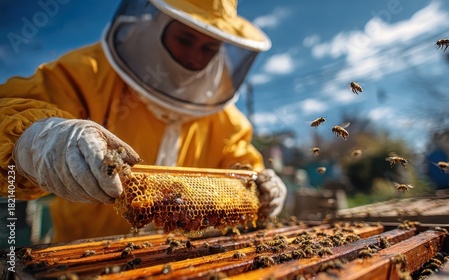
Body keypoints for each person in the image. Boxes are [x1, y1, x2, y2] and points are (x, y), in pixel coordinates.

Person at [0, 0, 287, 243]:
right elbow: (8, 109)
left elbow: (242, 171)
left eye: (208, 48)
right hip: (82, 254)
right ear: (159, 24)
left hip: (182, 260)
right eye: (185, 39)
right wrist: (36, 138)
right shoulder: (87, 73)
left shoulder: (228, 122)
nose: (194, 58)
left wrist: (262, 189)